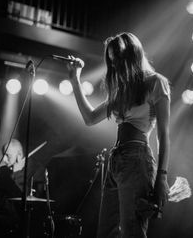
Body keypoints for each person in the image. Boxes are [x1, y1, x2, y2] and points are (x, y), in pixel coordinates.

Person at [67, 32, 171, 238]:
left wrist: (162, 176)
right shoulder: (121, 90)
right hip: (116, 160)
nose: (115, 66)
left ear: (133, 55)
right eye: (112, 62)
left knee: (132, 231)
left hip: (137, 159)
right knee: (105, 232)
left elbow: (163, 134)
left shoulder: (156, 82)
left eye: (118, 59)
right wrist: (75, 79)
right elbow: (89, 118)